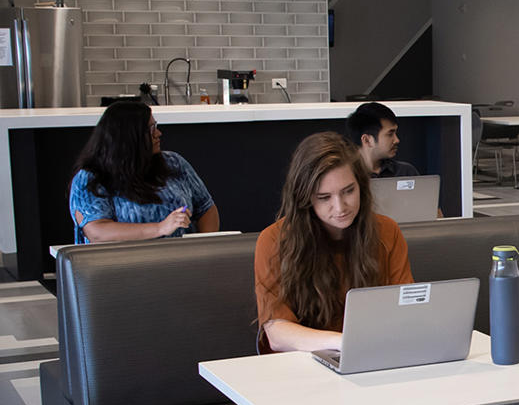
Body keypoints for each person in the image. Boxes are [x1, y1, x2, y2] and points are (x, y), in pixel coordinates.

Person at [254, 132, 413, 354]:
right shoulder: (274, 240)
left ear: (362, 186)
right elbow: (277, 333)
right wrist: (345, 343)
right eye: (324, 197)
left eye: (348, 191)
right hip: (302, 365)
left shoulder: (386, 232)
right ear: (305, 198)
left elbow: (404, 310)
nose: (340, 207)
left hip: (373, 355)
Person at [68, 100, 220, 244]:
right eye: (151, 129)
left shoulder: (174, 162)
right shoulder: (91, 178)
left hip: (180, 262)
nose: (158, 133)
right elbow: (97, 232)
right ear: (127, 137)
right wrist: (160, 228)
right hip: (124, 266)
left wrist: (203, 246)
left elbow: (206, 208)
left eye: (156, 126)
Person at [345, 101, 418, 178]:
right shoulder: (345, 175)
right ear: (367, 140)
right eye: (390, 134)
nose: (397, 140)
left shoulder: (405, 172)